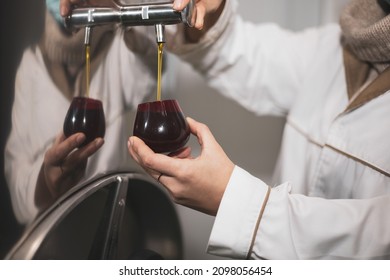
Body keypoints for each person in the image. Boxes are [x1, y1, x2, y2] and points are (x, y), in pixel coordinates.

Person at [128, 0, 390, 259]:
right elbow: (244, 56)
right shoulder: (337, 44)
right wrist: (207, 17)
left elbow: (377, 238)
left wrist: (234, 200)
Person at [4, 0, 159, 225]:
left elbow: (149, 59)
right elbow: (16, 175)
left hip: (104, 219)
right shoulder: (31, 67)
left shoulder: (118, 50)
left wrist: (122, 8)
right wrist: (45, 183)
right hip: (51, 235)